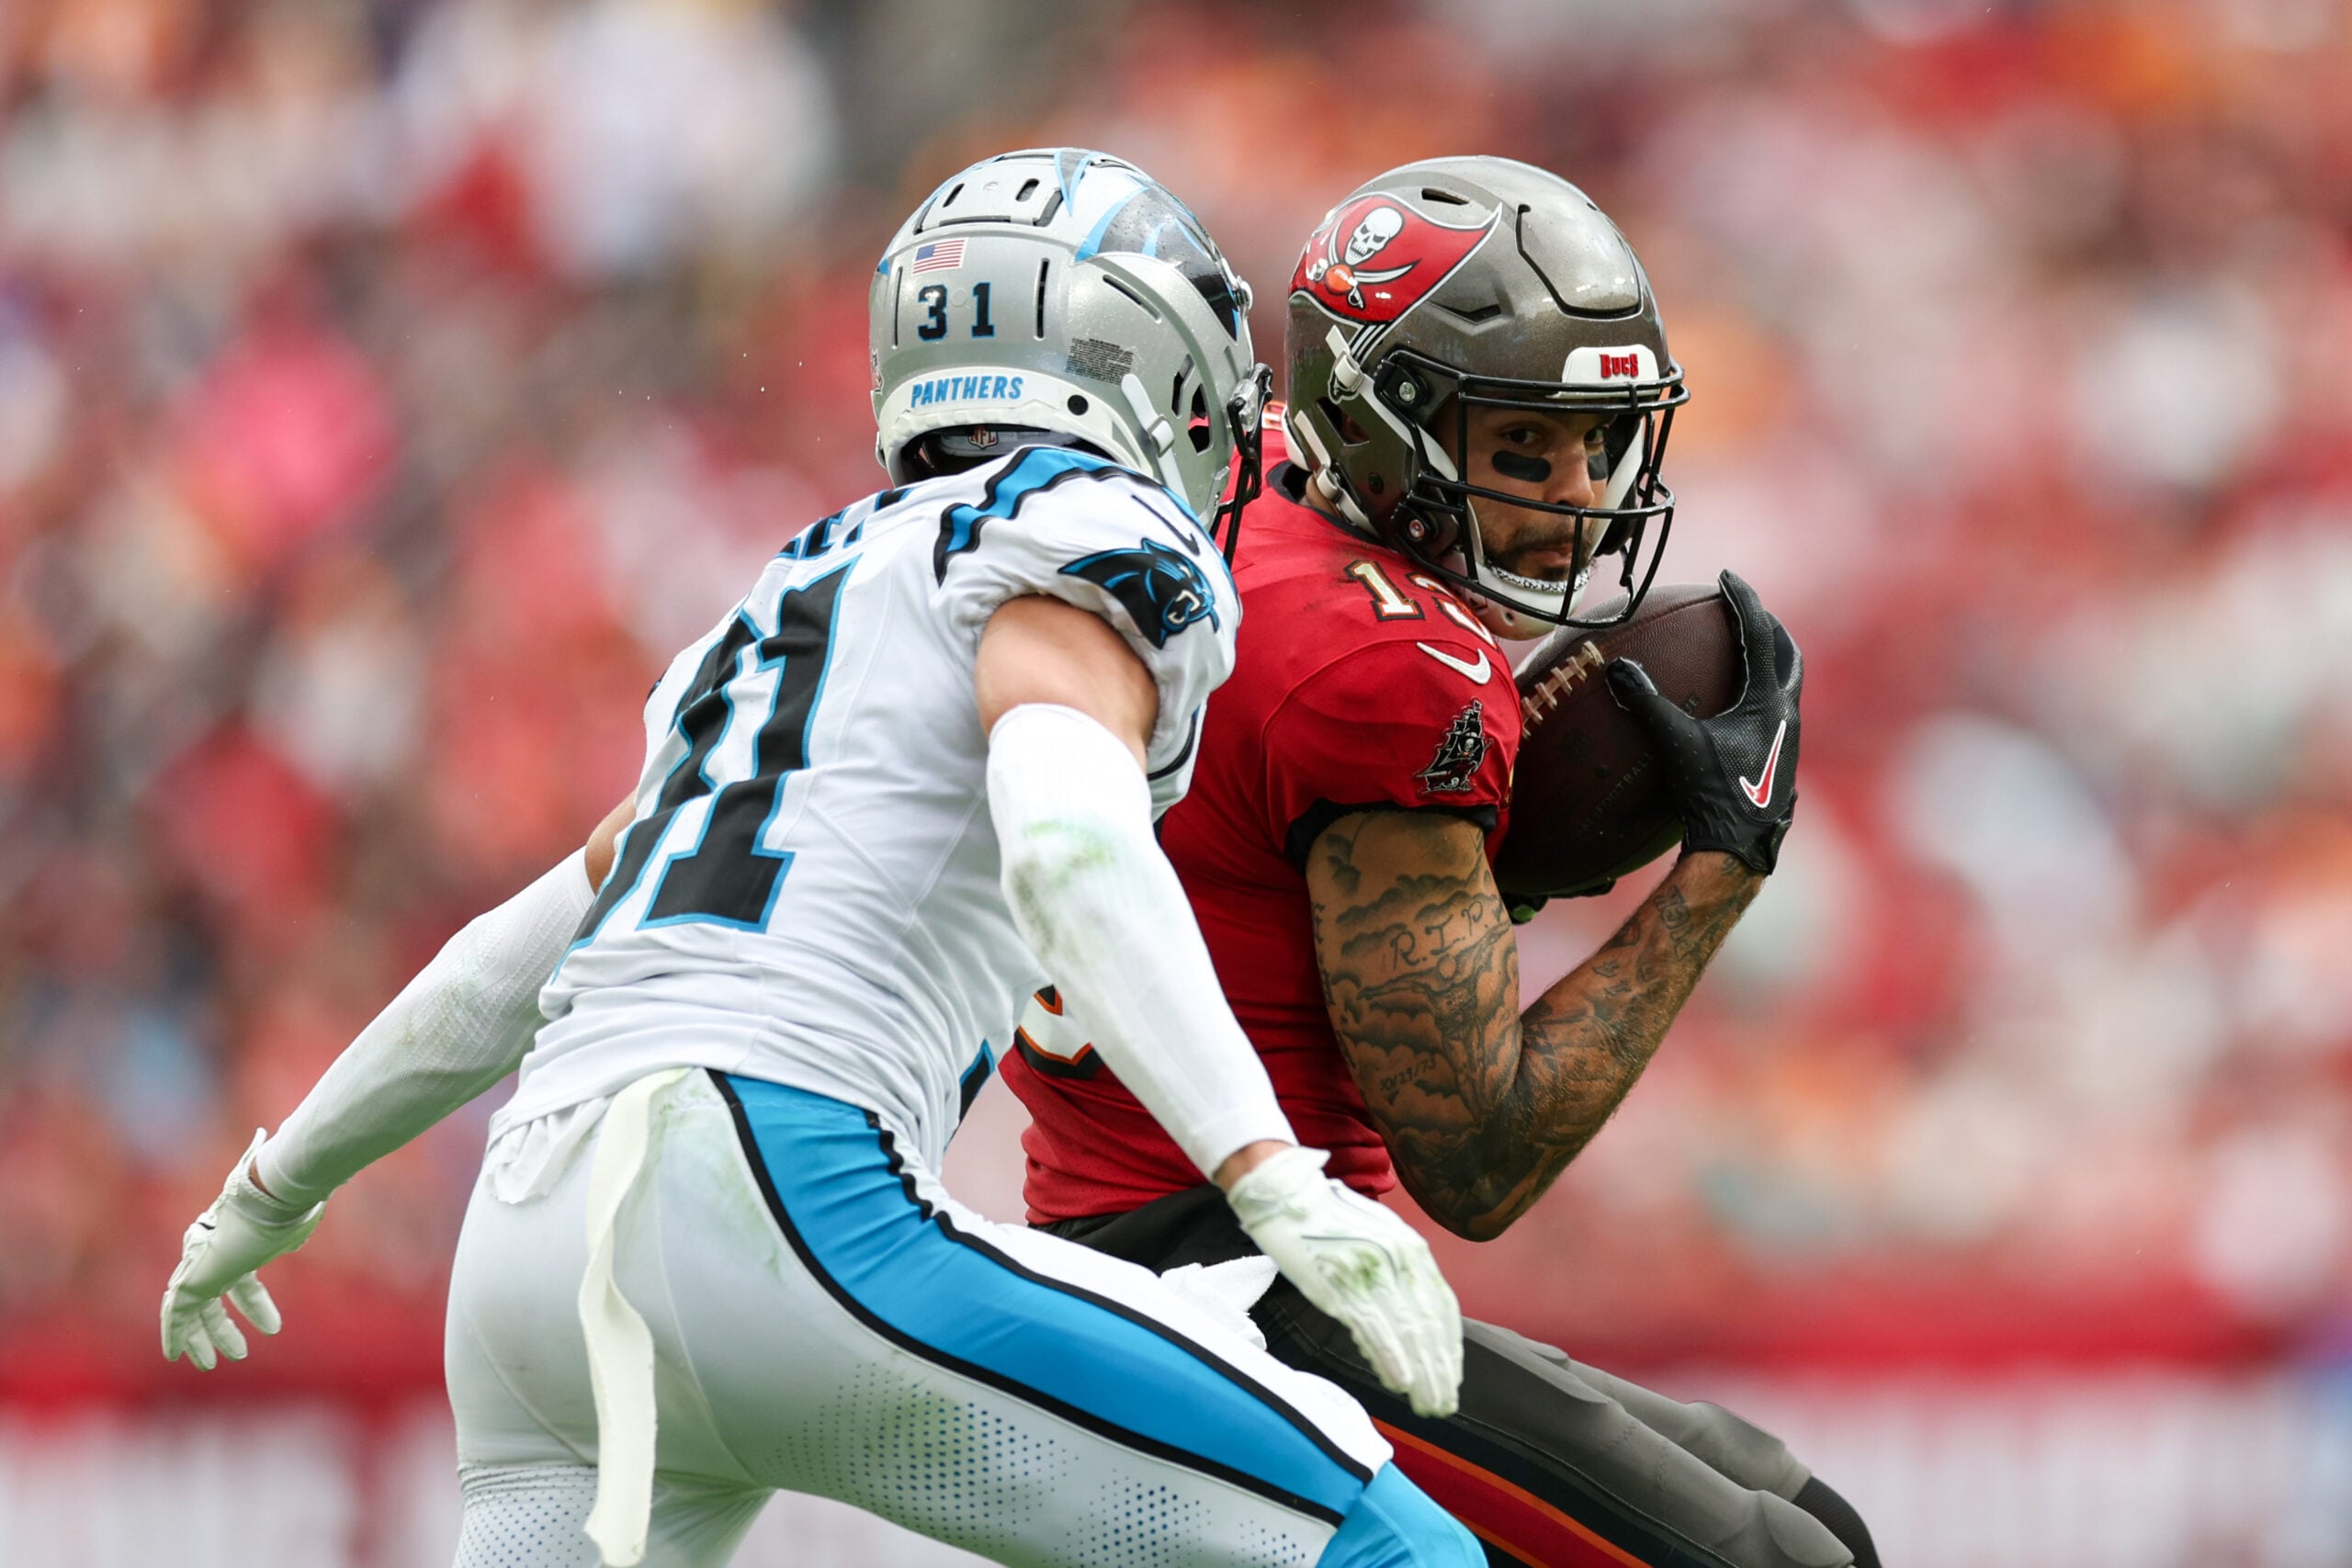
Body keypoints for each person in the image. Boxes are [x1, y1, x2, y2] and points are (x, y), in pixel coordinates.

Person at [158, 148, 1482, 1568]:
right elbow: (1068, 846)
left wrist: (268, 1191)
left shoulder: (795, 592)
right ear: (1141, 354)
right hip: (772, 1191)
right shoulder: (1082, 528)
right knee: (1388, 1549)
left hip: (528, 1237)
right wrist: (1269, 1172)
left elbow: (516, 959)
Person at [1003, 159, 1880, 1568]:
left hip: (1157, 1243)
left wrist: (1495, 866)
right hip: (1221, 1283)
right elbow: (1477, 1160)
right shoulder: (1387, 663)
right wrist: (1723, 869)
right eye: (1522, 447)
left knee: (1798, 1504)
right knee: (1781, 1562)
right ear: (1378, 417)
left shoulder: (1248, 474)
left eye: (1597, 445)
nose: (1574, 498)